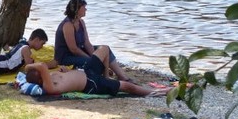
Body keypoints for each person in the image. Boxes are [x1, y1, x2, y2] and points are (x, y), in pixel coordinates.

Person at [24, 45, 167, 97]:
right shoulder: (49, 87)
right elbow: (41, 66)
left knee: (104, 48)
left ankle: (107, 77)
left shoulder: (48, 77)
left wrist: (65, 71)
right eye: (40, 73)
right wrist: (28, 67)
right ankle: (154, 92)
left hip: (86, 71)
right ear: (40, 79)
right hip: (92, 83)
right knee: (128, 87)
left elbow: (43, 69)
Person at [54, 0, 134, 81]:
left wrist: (95, 56)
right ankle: (105, 76)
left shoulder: (81, 22)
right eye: (83, 7)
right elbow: (73, 49)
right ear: (77, 10)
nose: (86, 9)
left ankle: (121, 75)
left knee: (105, 49)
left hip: (80, 51)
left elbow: (87, 43)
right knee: (93, 62)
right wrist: (91, 58)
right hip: (67, 57)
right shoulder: (68, 25)